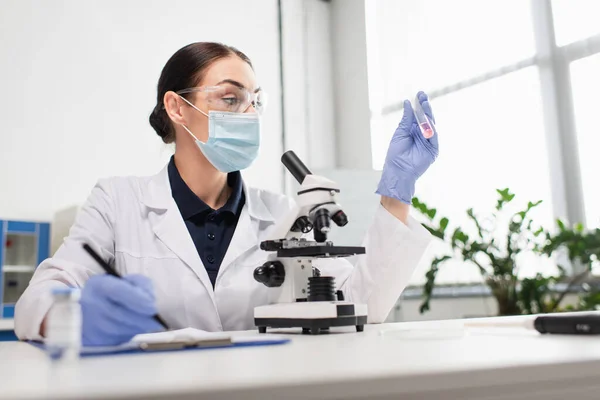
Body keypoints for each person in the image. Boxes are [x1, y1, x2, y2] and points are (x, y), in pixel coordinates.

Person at [15, 42, 439, 346]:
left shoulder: (281, 213)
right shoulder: (116, 202)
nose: (249, 114)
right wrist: (74, 315)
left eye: (255, 101)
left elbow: (361, 303)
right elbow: (36, 300)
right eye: (231, 98)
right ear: (178, 108)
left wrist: (396, 194)